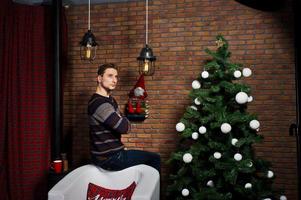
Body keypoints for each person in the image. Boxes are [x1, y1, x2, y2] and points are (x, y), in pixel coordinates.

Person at [88, 63, 161, 172]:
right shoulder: (98, 103)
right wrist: (122, 119)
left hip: (114, 154)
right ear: (99, 78)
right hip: (109, 158)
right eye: (110, 76)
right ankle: (151, 189)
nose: (114, 80)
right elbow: (124, 128)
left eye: (116, 77)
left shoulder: (111, 100)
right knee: (155, 158)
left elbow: (122, 122)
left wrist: (121, 119)